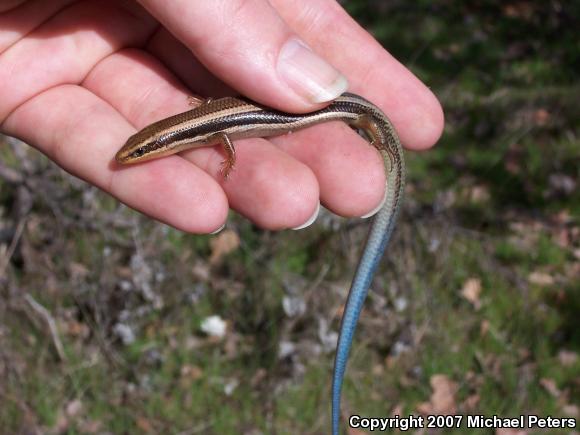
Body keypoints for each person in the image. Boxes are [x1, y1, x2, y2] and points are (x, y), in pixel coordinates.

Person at [0, 0, 443, 233]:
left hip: (309, 108)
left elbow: (223, 132)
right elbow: (219, 126)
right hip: (244, 116)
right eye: (137, 150)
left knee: (357, 118)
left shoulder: (206, 132)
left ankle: (376, 134)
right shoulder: (201, 129)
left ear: (162, 143)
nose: (132, 155)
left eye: (138, 150)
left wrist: (228, 158)